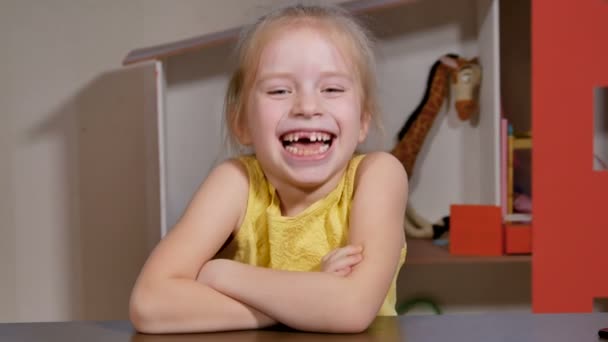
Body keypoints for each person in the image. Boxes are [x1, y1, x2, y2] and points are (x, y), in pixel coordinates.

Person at [129, 3, 408, 334]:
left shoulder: (378, 175)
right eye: (279, 90)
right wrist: (310, 297)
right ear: (242, 124)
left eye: (331, 89)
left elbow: (351, 309)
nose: (307, 107)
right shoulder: (235, 182)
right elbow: (150, 304)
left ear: (363, 121)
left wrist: (223, 274)